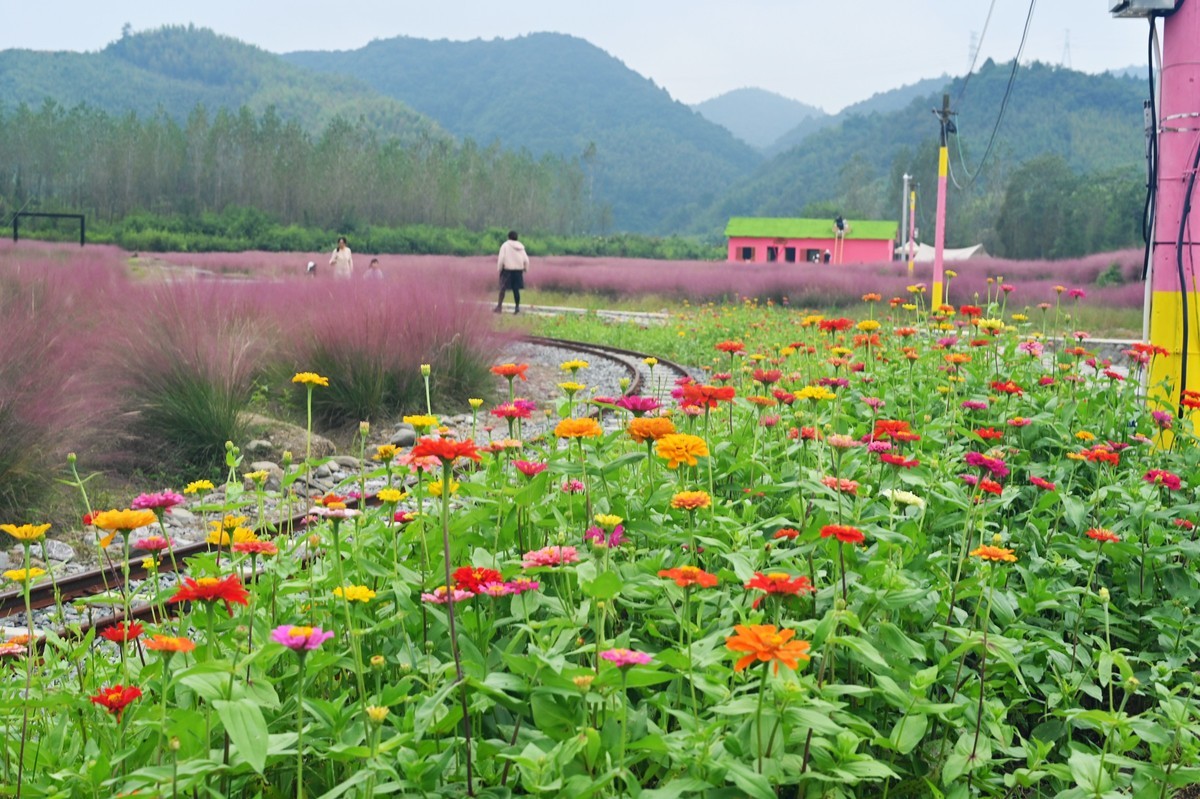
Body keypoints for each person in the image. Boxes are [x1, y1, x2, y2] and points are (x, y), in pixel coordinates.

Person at [495, 230, 529, 314]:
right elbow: (526, 260)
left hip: (507, 270)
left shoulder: (505, 246)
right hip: (518, 271)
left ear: (508, 237)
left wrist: (499, 268)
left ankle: (499, 307)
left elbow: (501, 258)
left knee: (502, 289)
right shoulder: (521, 247)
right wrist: (525, 269)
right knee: (516, 290)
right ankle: (517, 308)